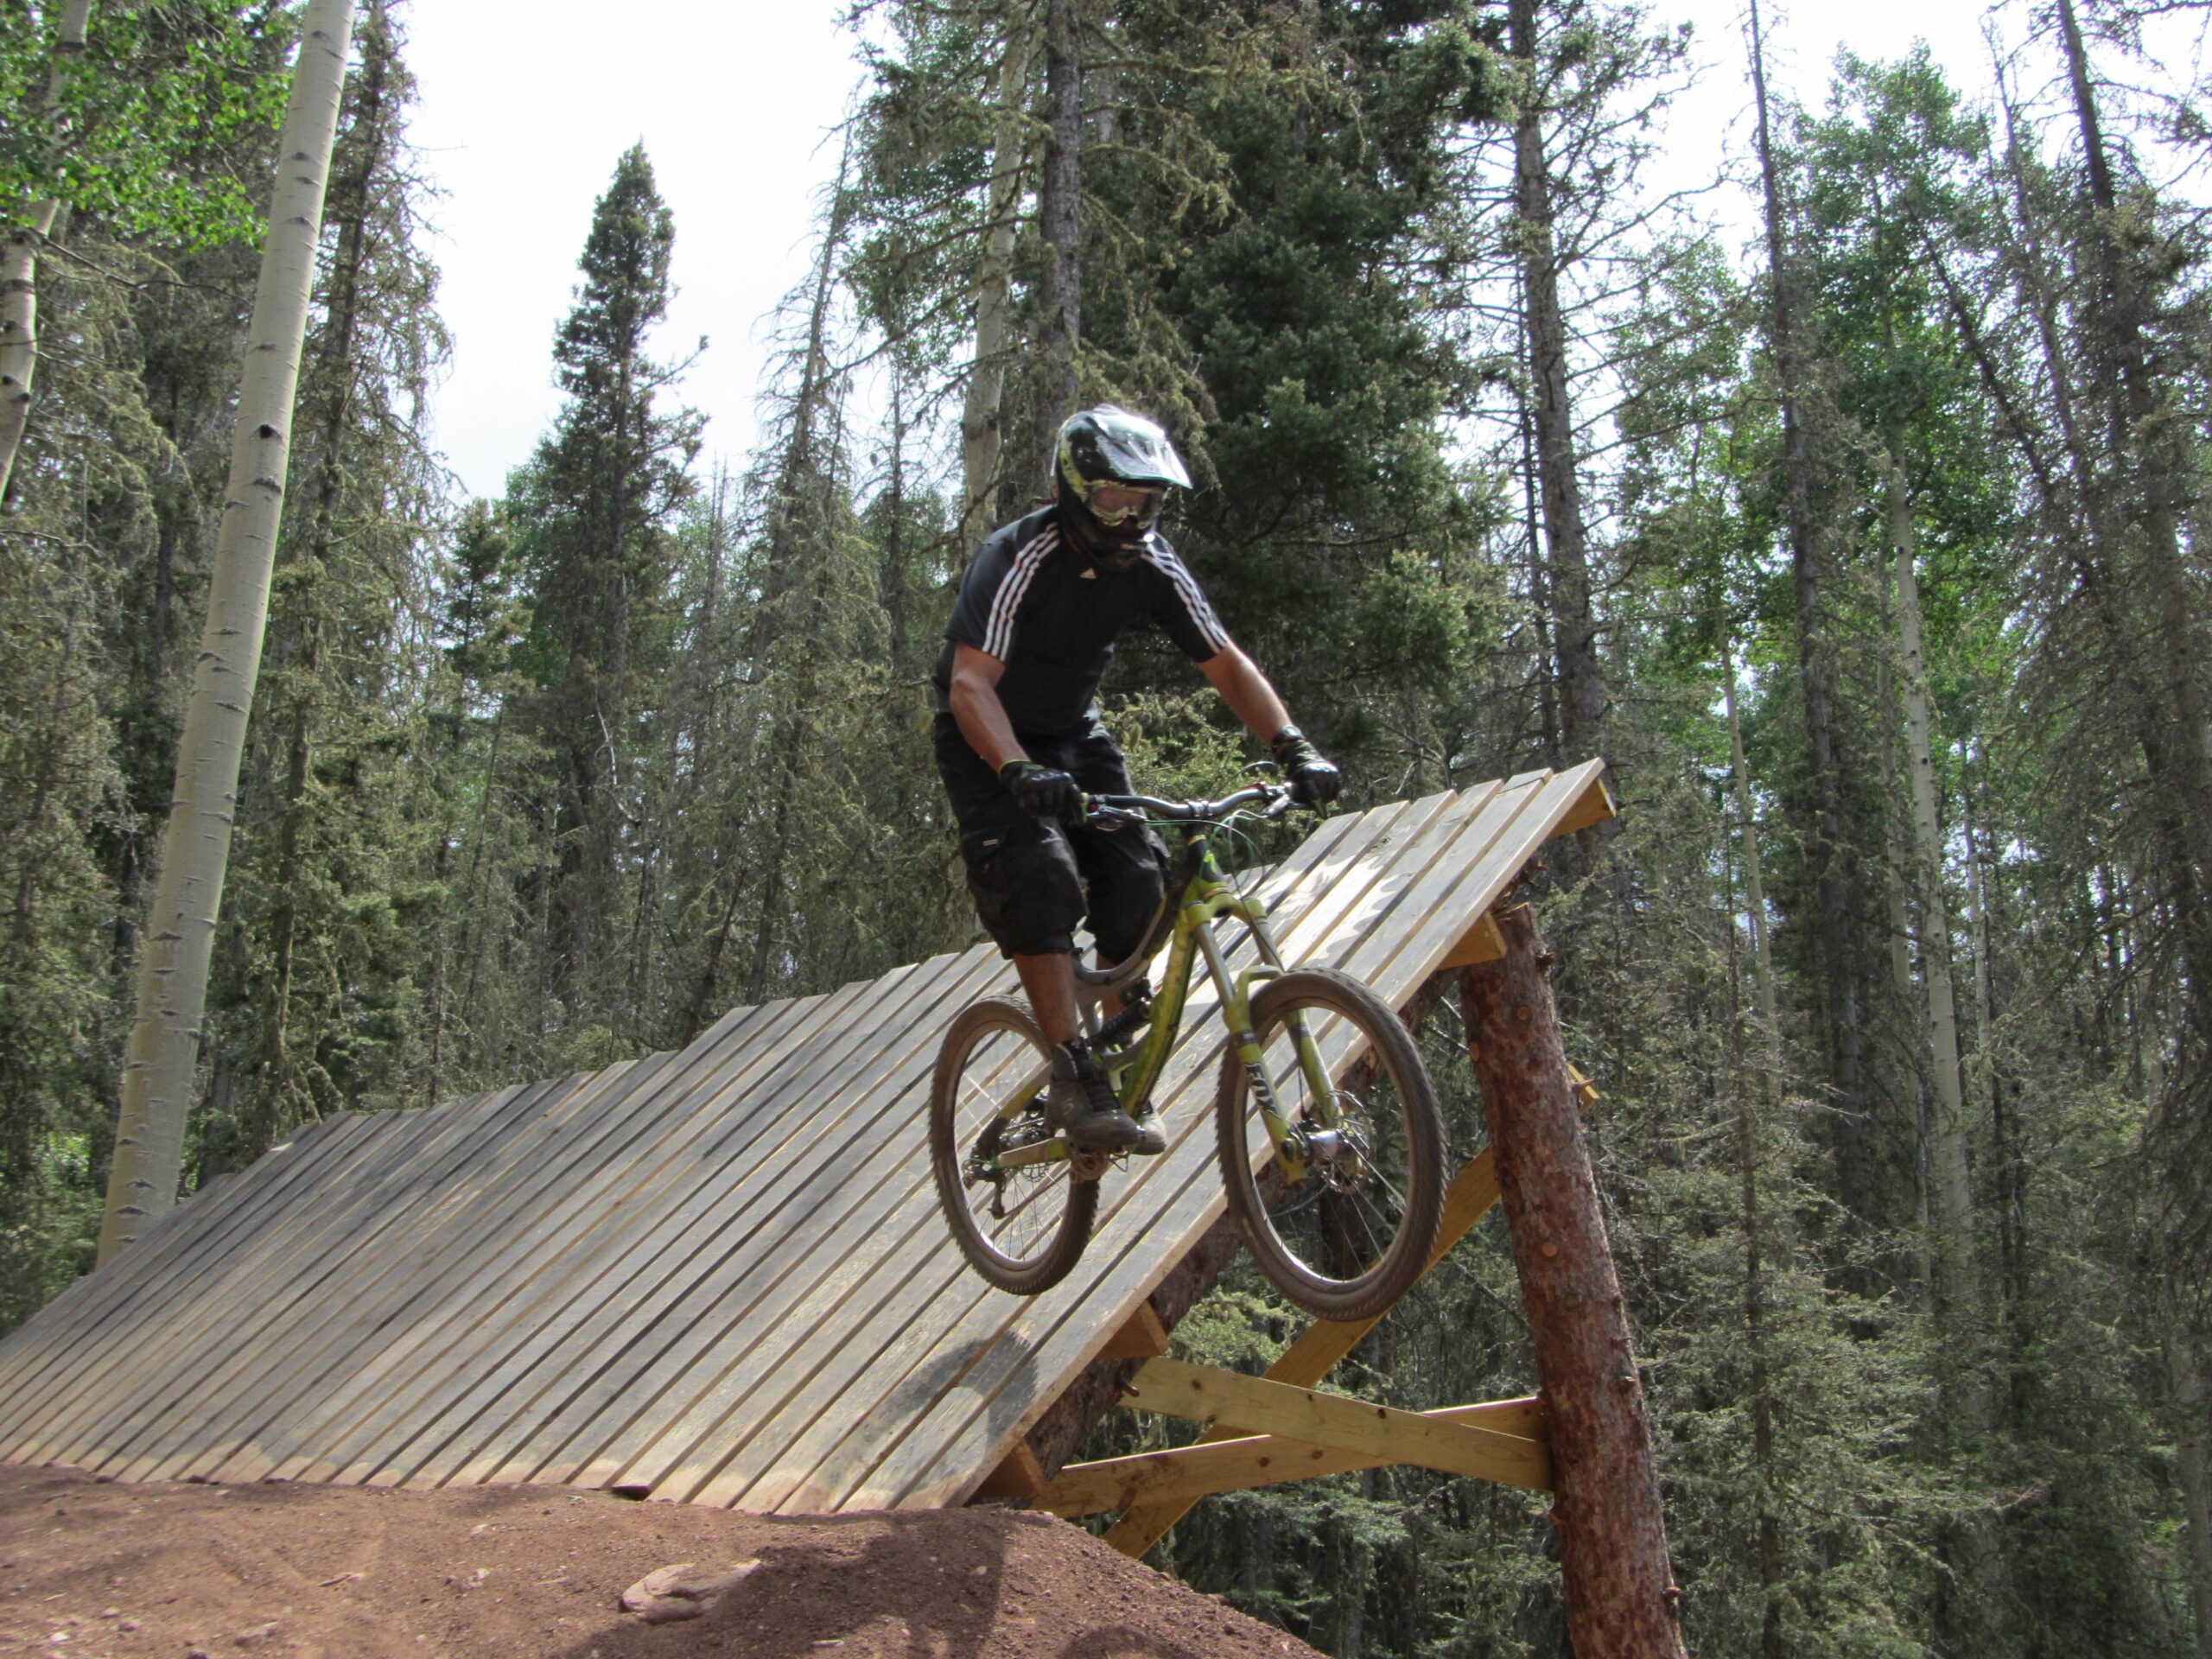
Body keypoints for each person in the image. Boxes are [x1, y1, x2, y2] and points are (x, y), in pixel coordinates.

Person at [931, 405, 1341, 1154]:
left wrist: (1293, 747)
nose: (1128, 518)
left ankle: (1120, 1049)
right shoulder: (1021, 555)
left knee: (1139, 885)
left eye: (1142, 502)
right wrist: (1016, 767)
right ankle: (1072, 1072)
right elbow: (968, 685)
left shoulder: (1154, 563)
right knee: (1040, 877)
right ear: (1074, 490)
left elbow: (1225, 661)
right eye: (1112, 500)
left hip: (1073, 732)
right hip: (988, 734)